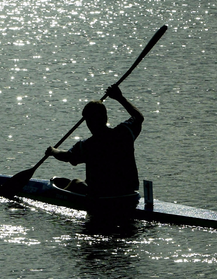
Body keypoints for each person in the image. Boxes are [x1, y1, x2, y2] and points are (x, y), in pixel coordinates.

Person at [45, 84, 144, 213]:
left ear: (88, 122)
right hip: (129, 196)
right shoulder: (125, 133)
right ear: (106, 118)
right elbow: (138, 117)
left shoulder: (87, 146)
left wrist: (53, 151)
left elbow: (67, 156)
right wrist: (120, 98)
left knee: (76, 183)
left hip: (103, 198)